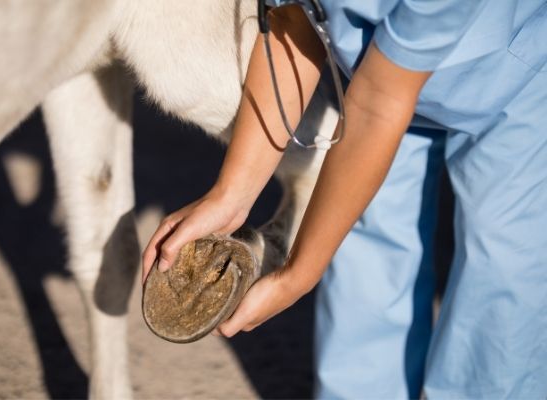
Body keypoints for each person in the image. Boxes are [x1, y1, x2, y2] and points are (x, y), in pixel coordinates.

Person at [143, 0, 547, 397]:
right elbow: (290, 21)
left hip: (512, 80)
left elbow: (379, 105)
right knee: (361, 235)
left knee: (502, 267)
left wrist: (297, 276)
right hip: (371, 72)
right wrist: (230, 194)